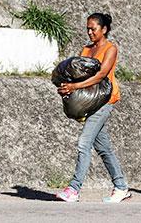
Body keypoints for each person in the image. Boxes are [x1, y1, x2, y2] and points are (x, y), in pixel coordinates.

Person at [55, 12, 130, 204]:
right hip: (90, 101)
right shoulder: (86, 50)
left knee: (84, 142)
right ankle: (121, 187)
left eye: (93, 29)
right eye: (87, 28)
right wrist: (67, 89)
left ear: (103, 30)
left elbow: (100, 75)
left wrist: (74, 87)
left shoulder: (110, 48)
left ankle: (74, 188)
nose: (89, 32)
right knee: (103, 147)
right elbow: (79, 76)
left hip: (105, 101)